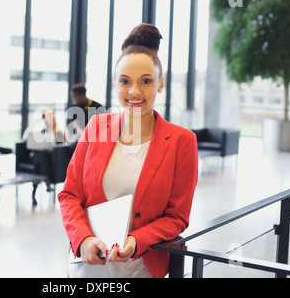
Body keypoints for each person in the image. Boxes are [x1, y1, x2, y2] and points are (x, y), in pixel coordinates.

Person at [57, 23, 198, 278]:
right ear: (115, 83)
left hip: (140, 268)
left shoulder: (181, 141)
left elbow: (177, 217)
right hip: (87, 267)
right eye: (125, 81)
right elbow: (69, 195)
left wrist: (137, 239)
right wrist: (83, 238)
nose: (134, 91)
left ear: (160, 84)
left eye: (146, 81)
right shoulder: (96, 127)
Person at [23, 108, 67, 206]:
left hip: (52, 158)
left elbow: (59, 147)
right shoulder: (41, 130)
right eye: (48, 115)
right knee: (40, 156)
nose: (51, 117)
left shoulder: (59, 131)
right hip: (40, 157)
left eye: (52, 115)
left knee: (40, 160)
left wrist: (51, 131)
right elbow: (32, 142)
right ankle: (47, 180)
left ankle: (34, 194)